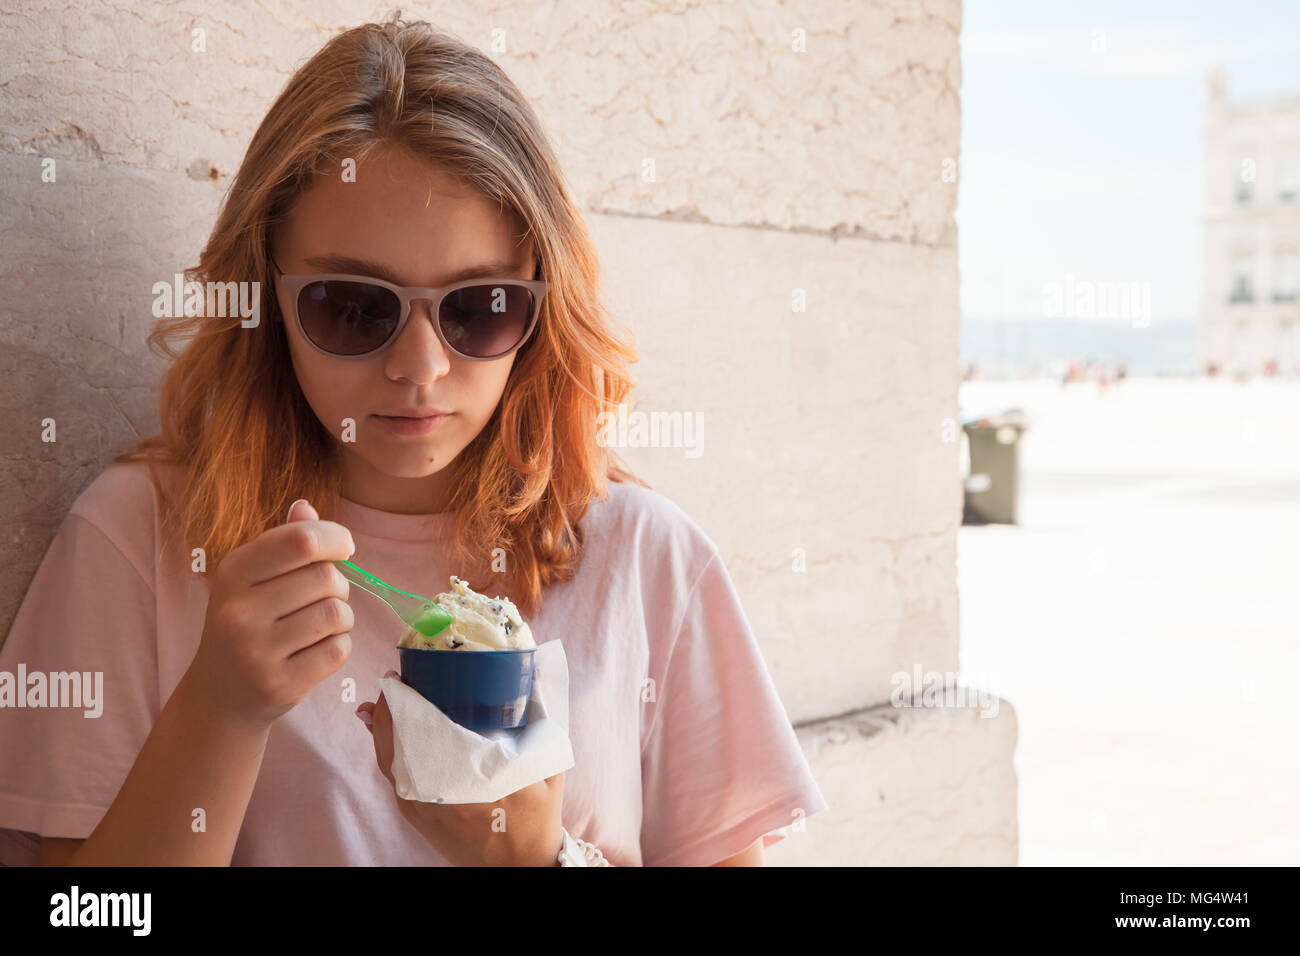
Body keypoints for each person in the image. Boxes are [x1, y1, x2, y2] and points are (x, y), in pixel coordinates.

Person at [0, 15, 825, 867]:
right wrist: (219, 708)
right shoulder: (140, 539)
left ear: (543, 307)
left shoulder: (648, 559)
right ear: (266, 296)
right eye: (353, 306)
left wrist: (536, 861)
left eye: (479, 306)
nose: (419, 368)